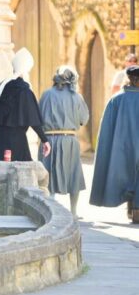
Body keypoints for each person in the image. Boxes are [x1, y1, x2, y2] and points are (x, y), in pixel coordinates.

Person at [38, 66, 89, 218]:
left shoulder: (46, 94)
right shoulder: (77, 97)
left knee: (49, 173)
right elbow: (84, 119)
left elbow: (38, 117)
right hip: (69, 140)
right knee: (74, 175)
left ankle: (50, 210)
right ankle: (73, 211)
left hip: (49, 140)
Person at [90, 65, 139, 223]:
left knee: (123, 173)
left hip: (120, 148)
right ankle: (136, 208)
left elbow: (106, 132)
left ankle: (132, 207)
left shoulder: (116, 99)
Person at [0, 47, 51, 161]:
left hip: (1, 141)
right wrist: (44, 140)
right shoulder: (24, 91)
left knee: (2, 174)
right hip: (18, 142)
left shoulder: (0, 89)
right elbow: (33, 120)